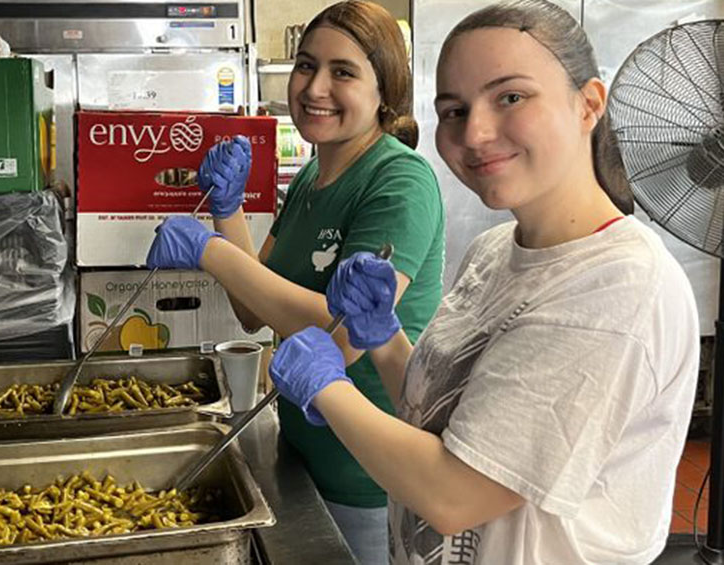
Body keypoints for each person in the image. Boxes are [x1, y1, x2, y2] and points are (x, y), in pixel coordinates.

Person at [267, 0, 700, 562]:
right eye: (453, 110)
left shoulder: (616, 290)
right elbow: (438, 418)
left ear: (589, 103)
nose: (475, 132)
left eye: (511, 97)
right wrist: (386, 340)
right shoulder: (495, 251)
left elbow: (456, 494)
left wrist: (328, 387)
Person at [145, 1, 445, 561]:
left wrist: (210, 252)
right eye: (307, 66)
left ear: (387, 91)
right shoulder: (313, 174)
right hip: (304, 451)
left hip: (367, 475)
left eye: (344, 72)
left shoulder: (399, 182)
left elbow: (345, 342)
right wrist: (227, 211)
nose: (315, 87)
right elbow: (253, 309)